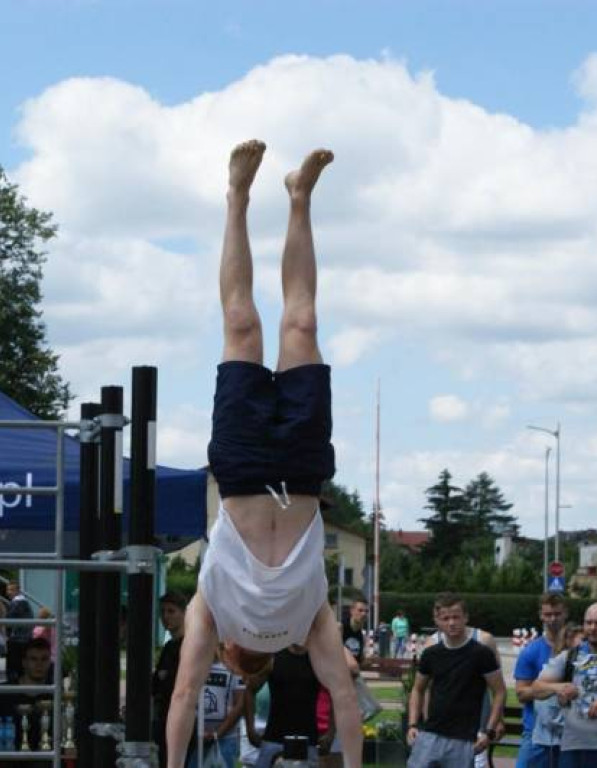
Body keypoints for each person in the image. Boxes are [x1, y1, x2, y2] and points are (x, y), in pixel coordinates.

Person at [166, 141, 361, 768]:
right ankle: (299, 196)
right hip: (302, 472)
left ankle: (238, 198)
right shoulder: (309, 626)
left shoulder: (212, 614)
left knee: (242, 324)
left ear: (228, 650)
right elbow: (345, 697)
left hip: (245, 469)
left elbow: (185, 691)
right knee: (299, 324)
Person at [407, 593, 505, 767]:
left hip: (464, 738)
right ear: (437, 621)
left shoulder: (481, 653)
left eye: (456, 617)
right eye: (445, 618)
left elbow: (499, 691)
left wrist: (489, 730)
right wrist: (413, 724)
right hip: (430, 733)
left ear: (465, 618)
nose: (451, 623)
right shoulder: (431, 653)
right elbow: (418, 689)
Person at [532, 602, 597, 768]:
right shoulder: (569, 657)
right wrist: (559, 688)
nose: (593, 628)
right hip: (576, 746)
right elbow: (536, 688)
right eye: (588, 622)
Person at [247, 645, 333, 767]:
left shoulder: (317, 659)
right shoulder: (273, 656)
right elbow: (250, 689)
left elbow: (336, 693)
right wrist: (250, 730)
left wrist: (331, 732)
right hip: (274, 738)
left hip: (308, 741)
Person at [514, 593, 568, 768]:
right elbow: (521, 693)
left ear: (565, 613)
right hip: (536, 731)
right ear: (540, 615)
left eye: (557, 614)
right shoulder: (531, 651)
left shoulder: (578, 648)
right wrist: (553, 688)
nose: (552, 619)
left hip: (572, 732)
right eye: (547, 615)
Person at [0, 636, 53, 758]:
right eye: (33, 659)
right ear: (24, 662)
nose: (39, 664)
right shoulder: (1, 694)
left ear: (49, 662)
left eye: (44, 659)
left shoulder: (55, 695)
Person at [188, 647, 246, 768]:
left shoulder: (234, 666)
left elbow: (240, 704)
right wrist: (194, 731)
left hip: (226, 739)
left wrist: (217, 733)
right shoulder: (193, 665)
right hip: (195, 739)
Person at [154, 592, 188, 766]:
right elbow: (157, 684)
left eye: (171, 611)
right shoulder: (168, 647)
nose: (165, 617)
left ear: (184, 613)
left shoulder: (188, 646)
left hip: (181, 721)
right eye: (163, 612)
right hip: (163, 719)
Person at [5, 581, 34, 683]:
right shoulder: (26, 604)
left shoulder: (17, 603)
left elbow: (9, 621)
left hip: (17, 640)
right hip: (26, 639)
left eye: (11, 590)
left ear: (18, 591)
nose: (9, 592)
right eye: (8, 589)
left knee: (13, 669)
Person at [343, 599, 368, 674]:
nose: (364, 614)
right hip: (339, 673)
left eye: (366, 611)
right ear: (352, 611)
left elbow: (360, 661)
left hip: (353, 674)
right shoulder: (341, 628)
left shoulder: (361, 635)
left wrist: (367, 661)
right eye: (360, 610)